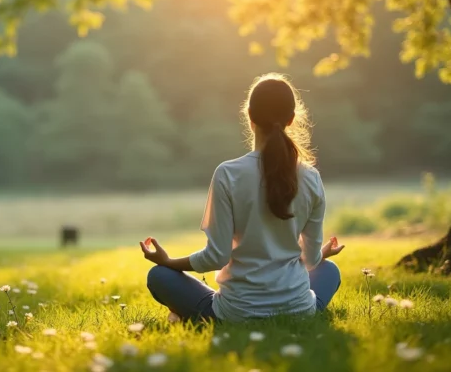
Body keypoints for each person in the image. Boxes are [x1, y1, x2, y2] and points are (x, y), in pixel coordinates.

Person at [140, 73, 344, 322]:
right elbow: (311, 261)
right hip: (297, 309)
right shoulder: (311, 177)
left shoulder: (228, 174)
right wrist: (322, 253)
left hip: (236, 313)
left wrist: (169, 261)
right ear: (291, 119)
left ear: (249, 116)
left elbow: (217, 257)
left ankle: (192, 317)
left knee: (159, 276)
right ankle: (301, 310)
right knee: (329, 269)